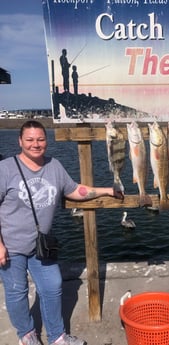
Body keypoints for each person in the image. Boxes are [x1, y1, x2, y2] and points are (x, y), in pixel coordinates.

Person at [0, 120, 123, 345]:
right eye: (29, 140)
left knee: (52, 286)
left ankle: (57, 337)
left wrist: (107, 190)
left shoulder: (54, 165)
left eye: (40, 139)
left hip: (41, 244)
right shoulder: (5, 168)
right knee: (17, 292)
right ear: (20, 141)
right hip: (10, 245)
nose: (35, 144)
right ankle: (27, 335)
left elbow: (75, 190)